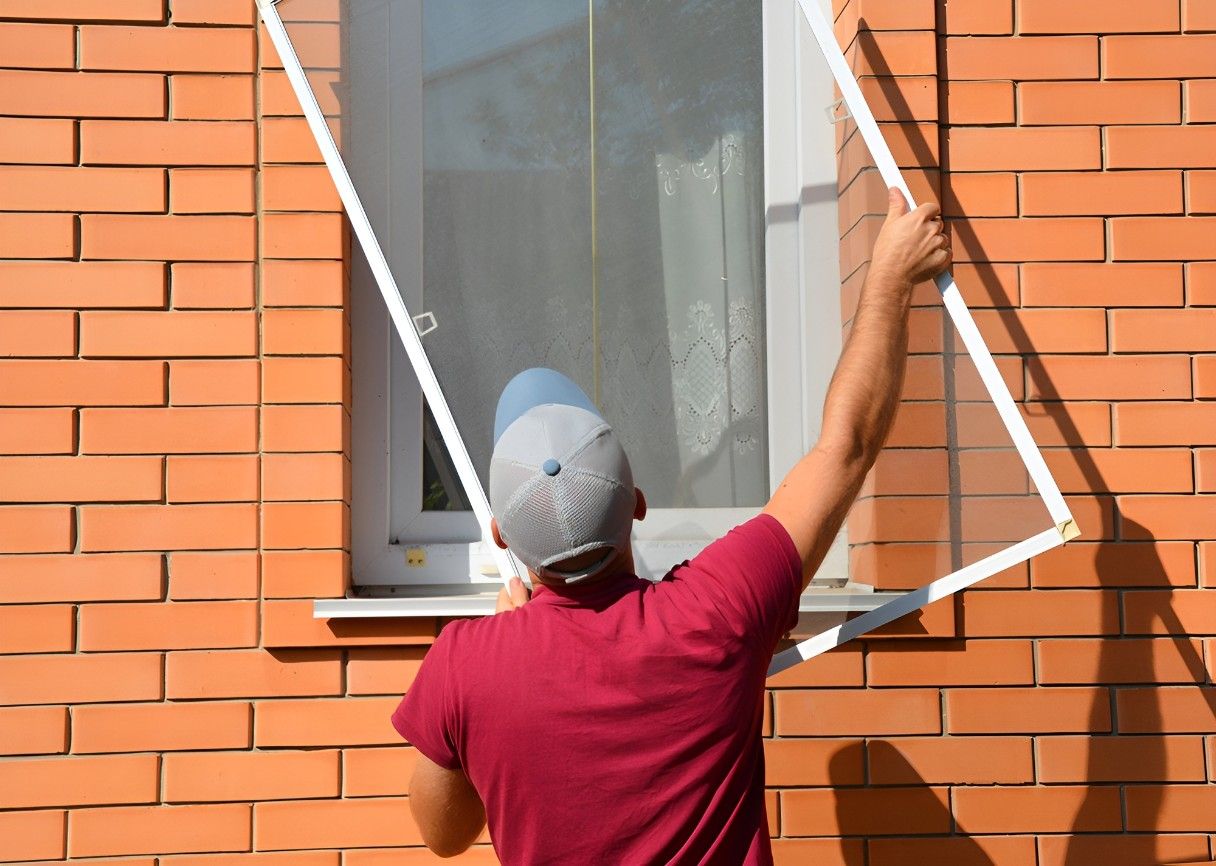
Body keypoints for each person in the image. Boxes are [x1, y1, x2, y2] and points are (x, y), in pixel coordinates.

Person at [391, 187, 951, 864]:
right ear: (637, 502)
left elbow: (442, 835)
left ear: (501, 535)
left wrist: (488, 686)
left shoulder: (467, 663)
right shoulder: (719, 608)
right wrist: (891, 276)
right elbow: (847, 446)